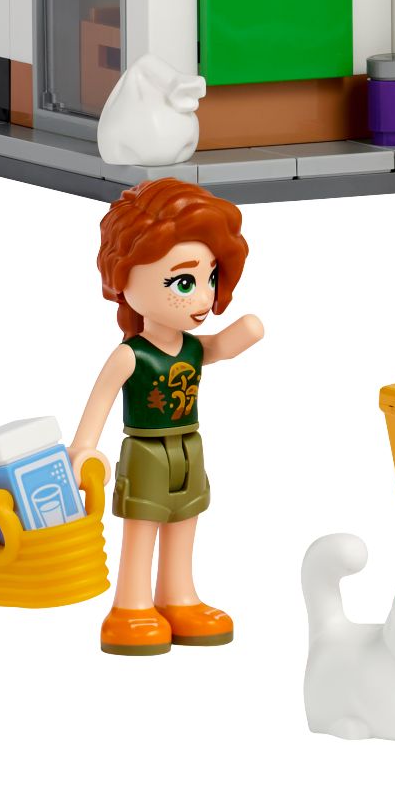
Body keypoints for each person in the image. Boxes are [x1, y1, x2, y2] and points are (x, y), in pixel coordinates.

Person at [67, 179, 266, 657]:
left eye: (210, 279)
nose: (201, 299)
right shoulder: (131, 355)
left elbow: (221, 347)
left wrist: (247, 330)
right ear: (124, 280)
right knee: (142, 526)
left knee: (184, 521)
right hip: (146, 450)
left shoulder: (192, 347)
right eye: (183, 283)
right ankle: (130, 606)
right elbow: (100, 400)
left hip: (188, 446)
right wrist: (84, 448)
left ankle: (178, 597)